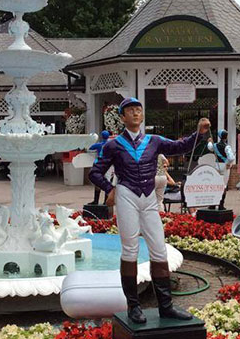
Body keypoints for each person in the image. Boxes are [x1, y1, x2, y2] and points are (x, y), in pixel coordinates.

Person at [89, 97, 209, 324]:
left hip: (149, 197)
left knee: (158, 249)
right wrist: (109, 189)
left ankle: (166, 306)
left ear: (142, 115)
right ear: (122, 117)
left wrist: (199, 133)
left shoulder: (154, 140)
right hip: (126, 196)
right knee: (130, 250)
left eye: (138, 110)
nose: (135, 114)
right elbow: (95, 172)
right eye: (130, 111)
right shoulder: (112, 145)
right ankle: (133, 306)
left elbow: (179, 146)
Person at [207, 129, 235, 210]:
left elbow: (209, 147)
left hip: (216, 165)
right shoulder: (227, 146)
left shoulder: (215, 145)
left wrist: (209, 141)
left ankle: (212, 204)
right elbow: (231, 157)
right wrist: (228, 163)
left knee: (215, 184)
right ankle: (221, 205)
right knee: (223, 186)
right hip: (225, 167)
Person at [89, 130, 111, 205]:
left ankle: (96, 201)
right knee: (107, 182)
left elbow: (90, 147)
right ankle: (105, 201)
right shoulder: (111, 144)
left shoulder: (99, 145)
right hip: (108, 165)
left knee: (97, 182)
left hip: (99, 164)